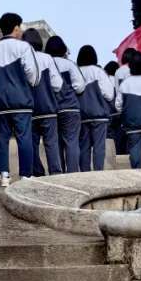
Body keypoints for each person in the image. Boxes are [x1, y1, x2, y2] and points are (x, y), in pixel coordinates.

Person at [0, 13, 40, 187]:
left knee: (2, 139)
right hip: (21, 100)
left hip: (0, 102)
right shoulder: (24, 47)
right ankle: (26, 174)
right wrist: (30, 85)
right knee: (24, 137)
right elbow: (33, 74)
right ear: (16, 28)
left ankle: (4, 176)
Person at [23, 30, 63, 176]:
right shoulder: (47, 58)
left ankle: (38, 172)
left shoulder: (23, 59)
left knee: (31, 144)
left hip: (29, 109)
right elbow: (57, 84)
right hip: (48, 107)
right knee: (51, 144)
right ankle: (55, 173)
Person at [45, 36, 86, 174]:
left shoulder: (46, 63)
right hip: (70, 107)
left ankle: (59, 174)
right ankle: (72, 173)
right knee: (72, 142)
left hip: (52, 109)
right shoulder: (69, 64)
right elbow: (80, 86)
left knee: (56, 144)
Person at [76, 45, 115, 171]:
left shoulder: (76, 71)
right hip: (99, 115)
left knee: (84, 146)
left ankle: (84, 173)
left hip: (82, 115)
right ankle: (98, 172)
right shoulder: (98, 72)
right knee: (99, 146)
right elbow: (109, 94)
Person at [104, 60, 126, 156]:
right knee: (120, 134)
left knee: (109, 136)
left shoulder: (105, 80)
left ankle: (111, 155)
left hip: (108, 112)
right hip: (119, 112)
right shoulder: (118, 80)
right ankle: (120, 153)